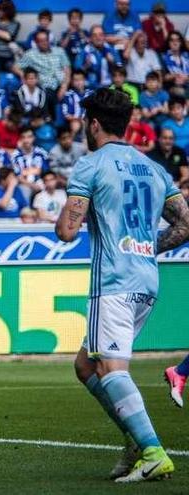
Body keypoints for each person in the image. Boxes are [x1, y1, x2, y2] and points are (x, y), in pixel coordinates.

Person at [55, 87, 189, 483]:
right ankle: (135, 438)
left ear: (93, 124)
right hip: (146, 279)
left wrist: (69, 213)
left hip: (112, 280)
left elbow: (66, 230)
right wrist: (149, 245)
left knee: (111, 368)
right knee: (86, 365)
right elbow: (185, 223)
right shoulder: (152, 168)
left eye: (84, 122)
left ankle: (151, 451)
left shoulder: (91, 164)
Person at [14, 29, 71, 98]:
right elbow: (15, 67)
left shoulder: (59, 51)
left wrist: (64, 86)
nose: (44, 43)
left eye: (46, 40)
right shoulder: (30, 54)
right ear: (36, 43)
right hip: (45, 86)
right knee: (48, 95)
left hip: (62, 83)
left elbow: (67, 69)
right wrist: (23, 75)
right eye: (41, 41)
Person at [76, 25, 122, 89]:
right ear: (90, 38)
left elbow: (120, 69)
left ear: (104, 36)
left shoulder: (111, 49)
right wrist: (85, 66)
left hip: (109, 87)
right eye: (95, 35)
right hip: (90, 89)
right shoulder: (85, 51)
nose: (98, 38)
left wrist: (113, 62)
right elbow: (76, 71)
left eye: (101, 35)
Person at [11, 126, 49, 195]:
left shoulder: (41, 153)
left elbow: (45, 171)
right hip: (24, 184)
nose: (26, 140)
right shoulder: (15, 155)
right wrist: (31, 184)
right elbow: (18, 176)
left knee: (47, 186)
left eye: (29, 137)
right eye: (23, 137)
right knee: (24, 190)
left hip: (40, 182)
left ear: (34, 138)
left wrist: (25, 171)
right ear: (20, 139)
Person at [60, 70, 91, 135]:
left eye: (81, 80)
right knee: (75, 125)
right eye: (76, 80)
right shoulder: (68, 95)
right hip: (75, 121)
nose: (79, 82)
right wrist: (79, 119)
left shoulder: (91, 94)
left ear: (84, 80)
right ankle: (72, 141)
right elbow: (66, 115)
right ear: (72, 82)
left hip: (89, 121)